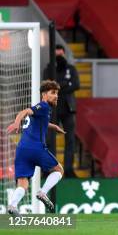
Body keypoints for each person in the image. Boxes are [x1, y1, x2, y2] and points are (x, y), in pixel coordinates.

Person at [6, 80, 66, 215]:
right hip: (35, 148)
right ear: (44, 95)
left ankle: (13, 205)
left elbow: (40, 121)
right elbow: (25, 111)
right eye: (53, 93)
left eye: (57, 93)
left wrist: (53, 126)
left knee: (23, 183)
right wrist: (16, 122)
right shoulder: (43, 106)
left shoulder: (42, 112)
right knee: (58, 170)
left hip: (21, 149)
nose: (56, 96)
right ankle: (43, 193)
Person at [43, 44, 80, 178]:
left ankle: (69, 169)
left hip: (68, 108)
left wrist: (58, 86)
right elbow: (46, 87)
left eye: (61, 54)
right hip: (52, 110)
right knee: (49, 139)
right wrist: (65, 83)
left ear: (64, 54)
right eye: (57, 54)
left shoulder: (71, 69)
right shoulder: (48, 69)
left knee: (70, 139)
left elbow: (76, 84)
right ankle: (51, 168)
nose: (59, 57)